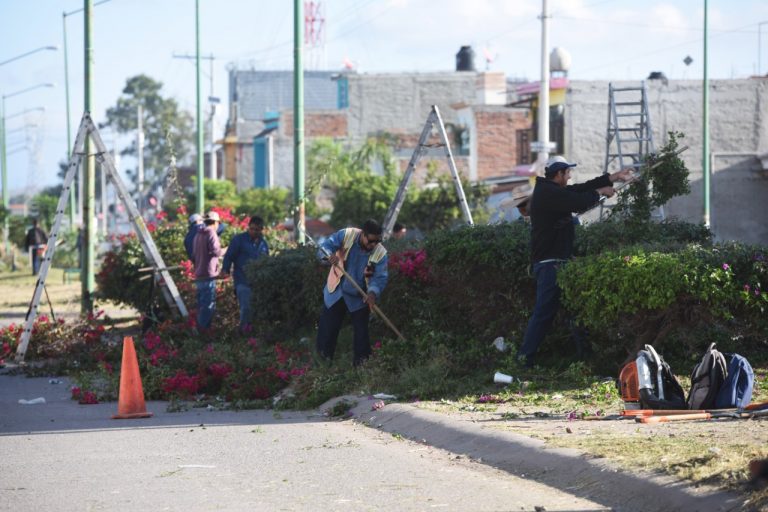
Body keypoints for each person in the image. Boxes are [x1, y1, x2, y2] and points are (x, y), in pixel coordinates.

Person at [517, 156, 634, 367]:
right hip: (550, 264)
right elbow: (579, 201)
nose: (570, 177)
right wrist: (600, 192)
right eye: (568, 173)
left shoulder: (552, 190)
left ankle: (584, 357)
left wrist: (613, 177)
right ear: (559, 174)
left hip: (559, 261)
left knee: (575, 310)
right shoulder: (549, 193)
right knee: (544, 313)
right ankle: (524, 359)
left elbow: (581, 189)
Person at [316, 219, 389, 366]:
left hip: (359, 296)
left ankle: (362, 368)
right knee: (327, 331)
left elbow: (379, 277)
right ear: (363, 234)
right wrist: (328, 256)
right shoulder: (346, 235)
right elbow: (325, 247)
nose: (374, 245)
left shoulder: (380, 253)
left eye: (377, 241)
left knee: (361, 335)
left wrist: (372, 293)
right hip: (336, 291)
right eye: (371, 241)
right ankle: (321, 366)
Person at [221, 215, 269, 330]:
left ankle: (253, 332)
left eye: (257, 229)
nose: (254, 231)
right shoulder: (239, 240)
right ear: (248, 227)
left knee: (256, 309)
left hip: (257, 282)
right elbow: (229, 256)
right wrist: (225, 269)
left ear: (261, 229)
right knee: (246, 308)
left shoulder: (263, 244)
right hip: (242, 280)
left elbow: (267, 261)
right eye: (251, 229)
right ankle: (244, 332)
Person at [192, 211, 225, 330]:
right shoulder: (211, 233)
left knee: (201, 305)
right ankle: (202, 332)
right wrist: (227, 249)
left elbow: (194, 254)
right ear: (215, 222)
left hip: (199, 274)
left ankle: (201, 330)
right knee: (208, 306)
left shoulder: (198, 234)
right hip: (208, 274)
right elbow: (217, 252)